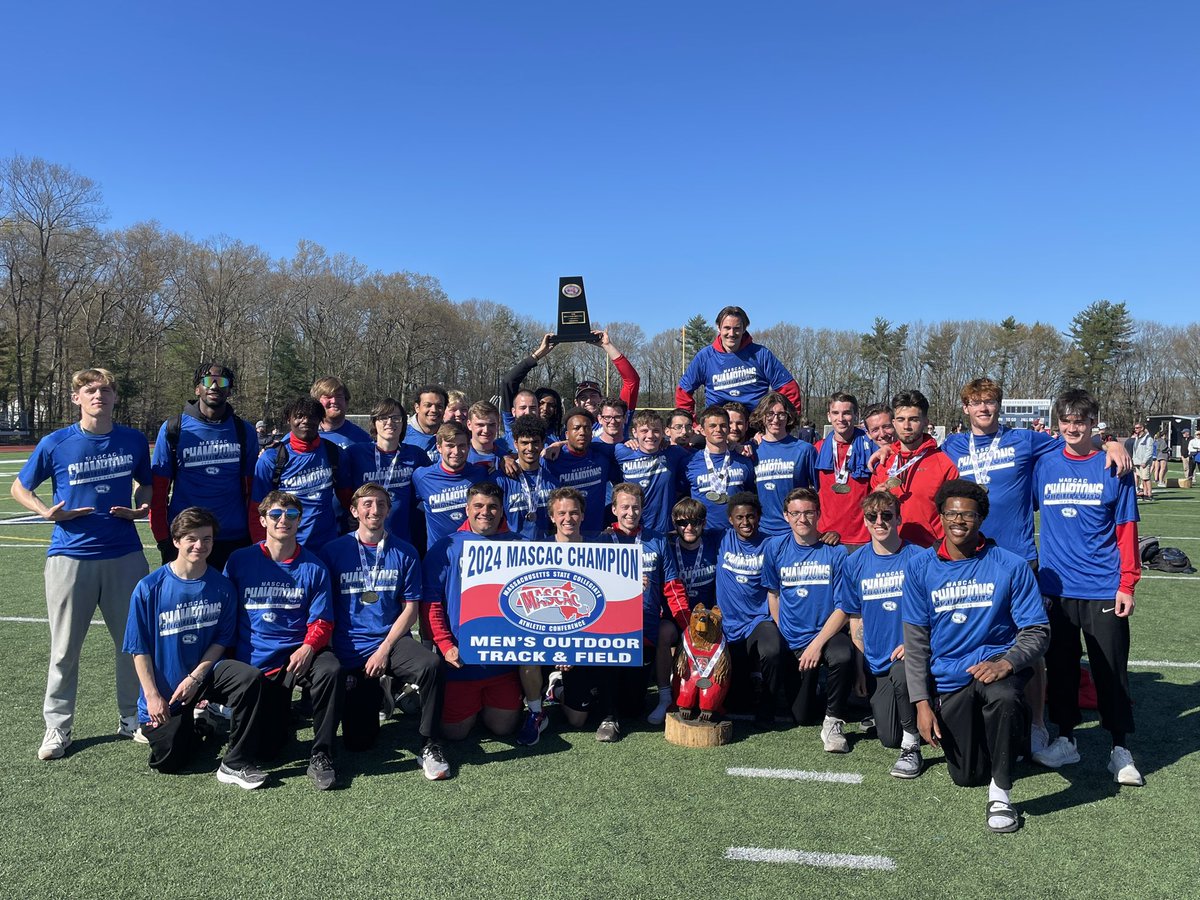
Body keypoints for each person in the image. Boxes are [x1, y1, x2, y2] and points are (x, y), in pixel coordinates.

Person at [942, 377, 1130, 756]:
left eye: (990, 402)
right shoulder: (953, 445)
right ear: (965, 409)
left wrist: (1111, 441)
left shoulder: (1026, 440)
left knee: (1032, 647)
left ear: (1000, 406)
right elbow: (918, 454)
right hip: (970, 558)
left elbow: (1074, 441)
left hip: (1020, 560)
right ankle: (978, 715)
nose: (984, 409)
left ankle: (1039, 726)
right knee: (973, 637)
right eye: (976, 403)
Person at [12, 367, 152, 760]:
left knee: (133, 644)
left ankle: (132, 718)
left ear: (114, 397)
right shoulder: (56, 443)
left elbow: (148, 481)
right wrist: (44, 511)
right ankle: (57, 727)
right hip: (70, 556)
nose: (98, 396)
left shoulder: (133, 439)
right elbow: (20, 486)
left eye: (105, 390)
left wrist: (141, 505)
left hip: (124, 553)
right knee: (64, 649)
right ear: (76, 398)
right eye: (90, 390)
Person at [902, 480, 1049, 834]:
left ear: (981, 518)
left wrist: (1007, 663)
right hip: (950, 679)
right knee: (966, 775)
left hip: (994, 670)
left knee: (1005, 695)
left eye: (967, 515)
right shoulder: (920, 567)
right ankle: (1002, 746)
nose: (958, 521)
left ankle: (1002, 793)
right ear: (940, 516)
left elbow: (1038, 631)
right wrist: (921, 704)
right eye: (951, 513)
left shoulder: (1010, 565)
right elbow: (916, 641)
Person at [1031, 390, 1144, 786]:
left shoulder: (1114, 467)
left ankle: (1119, 747)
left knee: (1110, 670)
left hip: (1103, 587)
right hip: (1056, 587)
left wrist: (1127, 583)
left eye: (1081, 420)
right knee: (1060, 668)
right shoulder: (1043, 464)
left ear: (1093, 421)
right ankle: (1066, 738)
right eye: (1067, 420)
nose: (1073, 427)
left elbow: (1127, 529)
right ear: (1057, 422)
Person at [123, 507, 270, 788]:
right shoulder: (149, 588)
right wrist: (153, 696)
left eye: (207, 539)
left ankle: (235, 762)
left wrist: (196, 677)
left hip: (203, 677)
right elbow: (138, 648)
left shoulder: (223, 586)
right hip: (167, 691)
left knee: (249, 678)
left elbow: (221, 641)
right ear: (176, 541)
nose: (200, 545)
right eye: (192, 538)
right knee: (169, 762)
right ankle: (199, 726)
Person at [321, 484, 448, 780]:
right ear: (354, 511)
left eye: (381, 504)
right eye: (367, 504)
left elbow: (410, 609)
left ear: (389, 510)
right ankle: (382, 692)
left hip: (390, 642)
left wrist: (384, 648)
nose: (374, 510)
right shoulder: (333, 551)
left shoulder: (404, 551)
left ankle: (430, 743)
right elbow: (326, 609)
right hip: (350, 646)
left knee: (431, 665)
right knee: (358, 743)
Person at [224, 491, 343, 790]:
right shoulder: (240, 560)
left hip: (298, 655)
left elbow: (323, 620)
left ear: (299, 521)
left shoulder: (314, 566)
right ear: (262, 520)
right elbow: (225, 613)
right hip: (256, 663)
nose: (283, 521)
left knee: (330, 669)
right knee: (269, 751)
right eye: (276, 515)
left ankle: (322, 753)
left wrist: (308, 647)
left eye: (291, 515)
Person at [422, 482, 524, 741]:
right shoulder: (446, 547)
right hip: (462, 661)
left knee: (504, 728)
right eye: (478, 506)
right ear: (467, 509)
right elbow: (432, 604)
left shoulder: (520, 546)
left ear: (503, 510)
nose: (485, 512)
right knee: (454, 734)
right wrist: (445, 646)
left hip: (504, 662)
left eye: (492, 507)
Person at [835, 490, 926, 777]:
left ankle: (912, 746)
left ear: (898, 518)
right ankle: (906, 722)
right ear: (864, 520)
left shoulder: (919, 558)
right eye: (872, 516)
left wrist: (916, 643)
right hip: (877, 660)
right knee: (888, 737)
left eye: (887, 515)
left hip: (913, 655)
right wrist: (860, 668)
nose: (879, 521)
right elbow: (854, 615)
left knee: (903, 674)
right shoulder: (855, 562)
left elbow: (936, 610)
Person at [591, 484, 689, 735]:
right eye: (624, 507)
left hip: (645, 630)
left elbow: (672, 586)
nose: (630, 512)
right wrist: (625, 582)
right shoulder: (600, 541)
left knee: (634, 707)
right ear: (614, 509)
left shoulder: (656, 540)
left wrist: (687, 625)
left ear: (643, 509)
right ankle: (606, 715)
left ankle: (603, 698)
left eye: (635, 507)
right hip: (609, 631)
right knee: (610, 690)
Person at [761, 488, 852, 752]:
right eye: (796, 513)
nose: (803, 519)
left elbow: (843, 608)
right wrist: (783, 632)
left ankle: (834, 721)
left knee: (843, 654)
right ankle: (818, 691)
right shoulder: (774, 548)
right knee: (801, 716)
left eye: (809, 512)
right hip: (793, 639)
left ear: (819, 514)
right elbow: (773, 594)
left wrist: (817, 644)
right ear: (786, 516)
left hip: (826, 635)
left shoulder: (836, 552)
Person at [150, 363, 259, 570]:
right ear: (197, 388)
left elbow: (253, 490)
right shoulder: (174, 428)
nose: (215, 386)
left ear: (230, 389)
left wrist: (255, 535)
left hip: (234, 539)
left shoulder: (244, 431)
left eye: (222, 381)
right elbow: (159, 491)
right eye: (208, 380)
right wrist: (163, 538)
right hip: (187, 539)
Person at [517, 487, 588, 745]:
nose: (568, 518)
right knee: (525, 650)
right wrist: (558, 646)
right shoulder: (537, 551)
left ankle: (555, 689)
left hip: (583, 639)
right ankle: (536, 711)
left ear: (582, 515)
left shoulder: (600, 550)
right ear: (552, 516)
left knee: (577, 719)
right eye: (562, 513)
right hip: (544, 635)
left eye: (574, 513)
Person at [714, 492, 786, 723]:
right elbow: (687, 535)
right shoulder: (720, 539)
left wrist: (828, 535)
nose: (746, 523)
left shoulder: (771, 543)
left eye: (751, 517)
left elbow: (801, 542)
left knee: (772, 651)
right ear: (730, 520)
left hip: (758, 619)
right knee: (737, 700)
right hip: (729, 625)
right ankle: (747, 690)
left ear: (759, 516)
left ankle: (769, 704)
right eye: (740, 517)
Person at [250, 396, 350, 553]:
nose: (305, 421)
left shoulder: (334, 453)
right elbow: (256, 510)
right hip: (286, 549)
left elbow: (348, 499)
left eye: (312, 416)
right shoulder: (271, 459)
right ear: (288, 419)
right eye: (299, 416)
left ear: (320, 420)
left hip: (328, 546)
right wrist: (263, 550)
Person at [870, 390, 958, 547]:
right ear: (894, 422)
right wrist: (874, 499)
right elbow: (870, 512)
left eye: (914, 419)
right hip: (891, 551)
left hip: (929, 551)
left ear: (925, 422)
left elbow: (953, 515)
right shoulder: (883, 462)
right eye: (901, 419)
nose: (906, 426)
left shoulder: (943, 463)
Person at [675, 305, 802, 415]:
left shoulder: (760, 354)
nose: (731, 333)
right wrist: (691, 423)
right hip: (718, 427)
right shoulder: (705, 357)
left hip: (755, 427)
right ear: (718, 328)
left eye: (736, 328)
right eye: (727, 328)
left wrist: (786, 424)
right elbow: (683, 392)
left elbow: (789, 388)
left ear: (744, 328)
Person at [342, 398, 430, 545]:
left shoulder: (416, 455)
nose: (390, 423)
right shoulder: (356, 453)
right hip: (364, 538)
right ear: (374, 423)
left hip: (402, 538)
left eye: (396, 418)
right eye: (383, 418)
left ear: (403, 424)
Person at [412, 422, 493, 551]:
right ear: (439, 447)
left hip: (473, 554)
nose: (456, 452)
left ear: (469, 446)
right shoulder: (422, 477)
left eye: (461, 446)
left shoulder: (481, 473)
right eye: (450, 446)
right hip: (439, 557)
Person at [541, 407, 622, 534]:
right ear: (567, 434)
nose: (582, 432)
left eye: (587, 428)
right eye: (576, 428)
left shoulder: (602, 458)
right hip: (564, 537)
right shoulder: (551, 459)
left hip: (595, 536)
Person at [813, 392, 876, 548]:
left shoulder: (871, 447)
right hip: (826, 536)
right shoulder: (817, 449)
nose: (840, 419)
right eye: (835, 413)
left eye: (846, 413)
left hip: (862, 538)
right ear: (829, 416)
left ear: (855, 415)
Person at [612, 409, 691, 534]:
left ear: (663, 432)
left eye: (656, 431)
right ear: (634, 432)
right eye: (644, 431)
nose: (650, 436)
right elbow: (595, 448)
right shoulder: (622, 451)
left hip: (664, 531)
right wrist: (567, 444)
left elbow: (701, 455)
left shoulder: (673, 452)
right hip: (630, 529)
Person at [749, 393, 817, 537]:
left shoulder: (804, 450)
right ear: (762, 415)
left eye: (781, 414)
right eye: (770, 413)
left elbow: (820, 491)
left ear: (789, 417)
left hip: (796, 530)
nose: (775, 419)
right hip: (761, 531)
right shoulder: (751, 449)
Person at [684, 405, 756, 527]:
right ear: (702, 430)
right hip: (703, 534)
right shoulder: (689, 463)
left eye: (723, 425)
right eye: (712, 426)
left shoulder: (743, 460)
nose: (718, 430)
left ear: (728, 428)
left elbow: (750, 494)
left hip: (736, 534)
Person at [495, 414, 552, 540]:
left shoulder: (552, 480)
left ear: (543, 443)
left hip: (545, 553)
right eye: (524, 443)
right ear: (516, 443)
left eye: (535, 442)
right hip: (514, 553)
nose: (530, 448)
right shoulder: (502, 480)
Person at [311, 375, 372, 448]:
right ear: (316, 401)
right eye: (328, 397)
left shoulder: (363, 440)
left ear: (346, 402)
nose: (334, 401)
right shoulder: (304, 436)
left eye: (339, 396)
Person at [404, 385, 448, 462]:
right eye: (428, 405)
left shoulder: (451, 435)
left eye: (439, 406)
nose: (434, 410)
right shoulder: (402, 435)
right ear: (417, 407)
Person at [1128, 422, 1156, 502]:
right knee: (1142, 479)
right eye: (1135, 428)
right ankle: (1145, 493)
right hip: (1137, 462)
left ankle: (1149, 494)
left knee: (1146, 478)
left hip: (1144, 462)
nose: (1135, 429)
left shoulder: (1148, 438)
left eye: (1137, 428)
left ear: (1142, 428)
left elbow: (1149, 451)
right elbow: (1135, 450)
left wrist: (1144, 461)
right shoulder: (1137, 438)